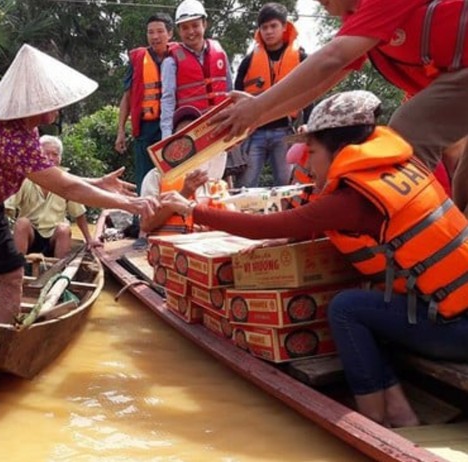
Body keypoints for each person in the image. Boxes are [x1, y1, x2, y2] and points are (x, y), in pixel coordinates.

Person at [164, 91, 468, 427]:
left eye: (311, 151)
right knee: (366, 302)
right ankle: (399, 410)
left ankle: (376, 417)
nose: (306, 163)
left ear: (338, 150)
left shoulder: (352, 199)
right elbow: (308, 220)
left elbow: (264, 226)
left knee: (346, 307)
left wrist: (191, 208)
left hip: (456, 328)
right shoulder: (398, 168)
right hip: (450, 309)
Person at [0, 44, 158, 324]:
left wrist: (98, 183)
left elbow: (52, 176)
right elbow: (65, 187)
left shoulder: (27, 131)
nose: (58, 105)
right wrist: (131, 204)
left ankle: (4, 336)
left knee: (14, 273)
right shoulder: (4, 135)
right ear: (34, 104)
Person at [208, 0, 468, 217]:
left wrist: (258, 106)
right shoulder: (358, 21)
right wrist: (256, 117)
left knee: (408, 131)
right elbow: (318, 84)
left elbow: (332, 58)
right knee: (464, 187)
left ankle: (403, 240)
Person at [234, 3, 312, 187]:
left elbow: (310, 92)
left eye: (273, 26)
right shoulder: (248, 61)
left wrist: (308, 122)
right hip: (254, 132)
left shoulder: (301, 58)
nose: (269, 31)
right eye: (264, 27)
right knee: (245, 183)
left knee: (286, 184)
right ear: (259, 30)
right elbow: (237, 97)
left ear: (284, 27)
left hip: (284, 132)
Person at [6, 135, 102, 258]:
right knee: (22, 223)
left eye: (55, 154)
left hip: (54, 237)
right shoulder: (26, 177)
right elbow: (8, 209)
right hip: (31, 235)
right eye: (46, 154)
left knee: (64, 228)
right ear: (38, 155)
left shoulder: (66, 181)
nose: (50, 158)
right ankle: (17, 265)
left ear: (60, 158)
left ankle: (59, 272)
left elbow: (79, 214)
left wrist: (89, 239)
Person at [140, 105, 227, 235]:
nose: (189, 141)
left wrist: (205, 229)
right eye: (183, 134)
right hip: (166, 253)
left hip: (204, 251)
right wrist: (183, 194)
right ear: (173, 140)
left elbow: (229, 223)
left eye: (194, 133)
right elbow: (146, 225)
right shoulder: (156, 176)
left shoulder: (213, 176)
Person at [115, 13, 176, 194]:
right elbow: (127, 97)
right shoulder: (137, 60)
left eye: (160, 31)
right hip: (145, 128)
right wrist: (120, 131)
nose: (155, 36)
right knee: (144, 175)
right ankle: (141, 218)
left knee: (172, 172)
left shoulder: (180, 57)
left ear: (170, 34)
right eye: (150, 32)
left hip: (173, 126)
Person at [160, 0, 232, 145]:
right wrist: (167, 137)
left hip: (222, 128)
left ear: (204, 24)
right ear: (179, 31)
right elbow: (168, 101)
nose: (191, 32)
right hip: (192, 133)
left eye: (195, 25)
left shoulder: (220, 53)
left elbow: (230, 90)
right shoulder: (171, 62)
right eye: (185, 27)